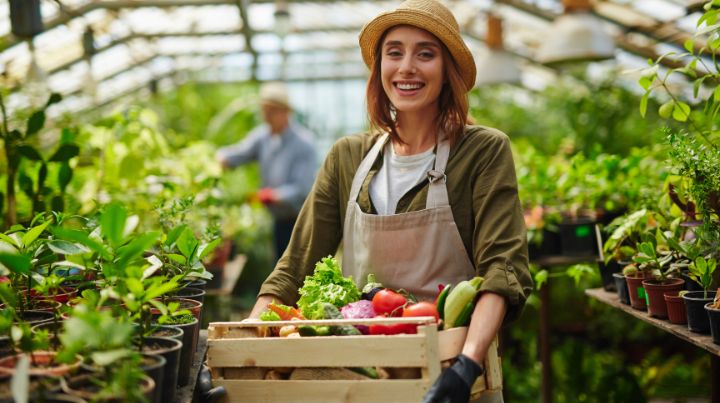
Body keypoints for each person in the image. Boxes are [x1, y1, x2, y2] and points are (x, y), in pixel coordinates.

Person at [248, 1, 533, 401]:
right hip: (358, 376)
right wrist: (241, 348)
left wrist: (467, 365)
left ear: (447, 69)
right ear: (379, 66)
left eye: (426, 53)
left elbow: (502, 270)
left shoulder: (482, 151)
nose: (407, 67)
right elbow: (292, 270)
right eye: (394, 52)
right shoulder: (347, 158)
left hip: (452, 373)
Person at [216, 82, 318, 261]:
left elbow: (302, 187)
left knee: (299, 268)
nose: (266, 117)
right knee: (281, 264)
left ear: (286, 112)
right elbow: (240, 153)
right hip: (279, 219)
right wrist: (218, 158)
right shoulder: (263, 137)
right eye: (264, 111)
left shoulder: (304, 143)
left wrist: (273, 195)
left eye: (271, 111)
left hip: (301, 221)